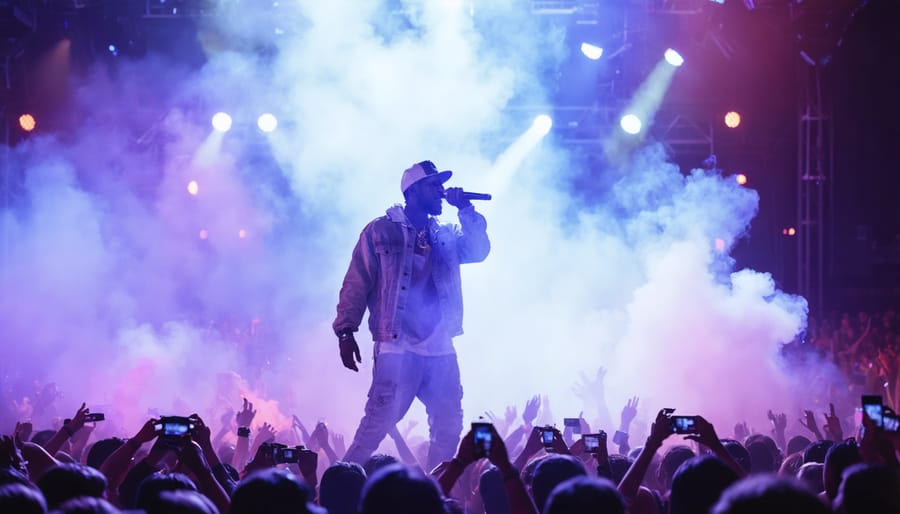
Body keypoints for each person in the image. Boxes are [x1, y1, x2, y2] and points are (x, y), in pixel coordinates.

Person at [334, 160, 490, 469]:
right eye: (434, 186)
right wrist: (345, 330)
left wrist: (466, 211)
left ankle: (435, 496)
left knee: (448, 430)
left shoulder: (444, 235)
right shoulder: (381, 230)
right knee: (373, 430)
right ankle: (338, 490)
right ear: (413, 192)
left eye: (441, 186)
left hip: (440, 348)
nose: (441, 192)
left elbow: (478, 250)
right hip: (398, 348)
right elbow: (357, 280)